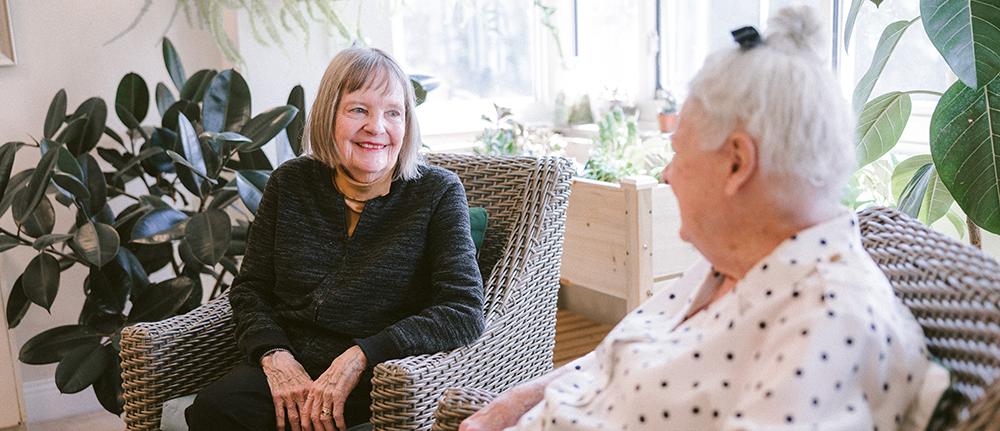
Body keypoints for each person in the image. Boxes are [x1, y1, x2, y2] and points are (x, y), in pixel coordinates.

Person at [460, 6, 948, 431]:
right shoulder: (731, 261)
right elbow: (612, 360)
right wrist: (511, 405)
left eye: (677, 151)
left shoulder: (827, 322)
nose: (668, 174)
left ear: (736, 162)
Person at [186, 47, 486, 431]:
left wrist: (361, 355)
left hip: (381, 375)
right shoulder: (290, 182)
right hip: (290, 360)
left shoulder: (437, 193)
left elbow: (461, 310)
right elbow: (251, 288)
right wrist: (274, 354)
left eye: (393, 112)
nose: (377, 127)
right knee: (216, 409)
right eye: (359, 109)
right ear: (330, 114)